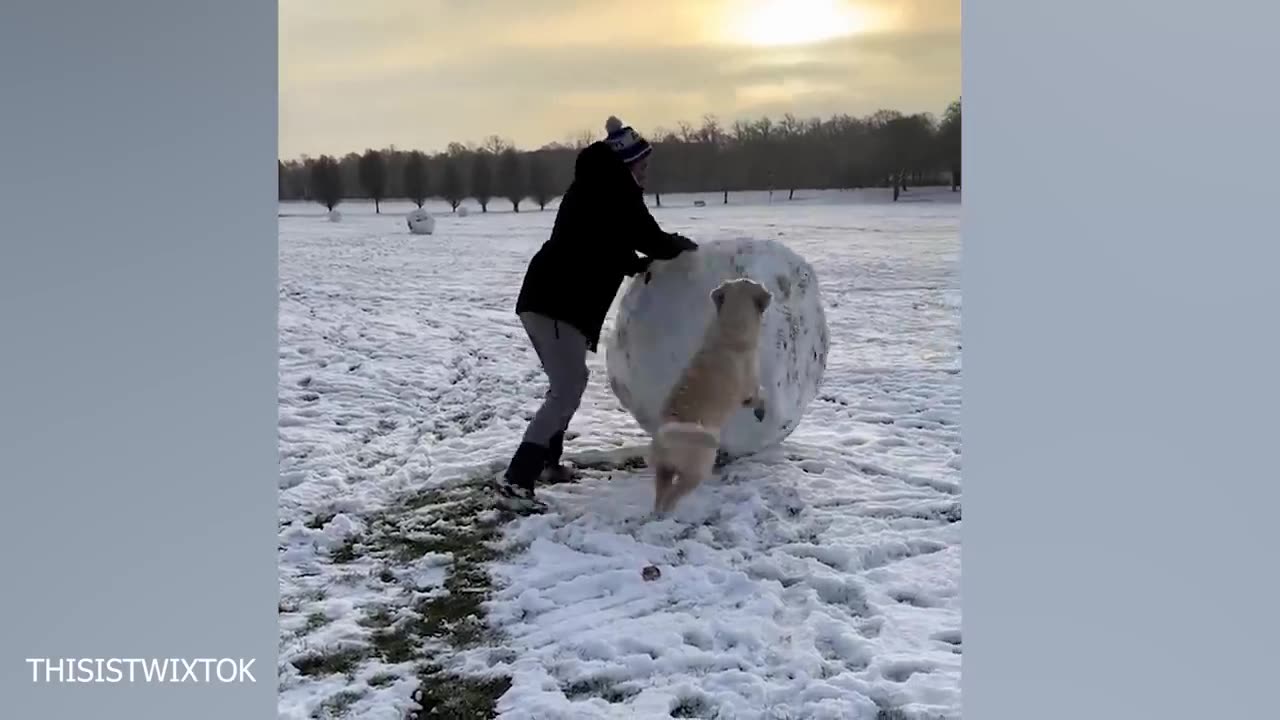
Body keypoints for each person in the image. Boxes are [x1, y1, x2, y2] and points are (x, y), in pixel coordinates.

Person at [497, 116, 698, 511]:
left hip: (547, 297)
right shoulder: (616, 190)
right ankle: (517, 479)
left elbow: (600, 240)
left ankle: (546, 464)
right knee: (567, 386)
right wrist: (679, 246)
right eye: (643, 164)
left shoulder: (592, 188)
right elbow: (648, 237)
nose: (646, 171)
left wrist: (633, 264)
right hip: (556, 303)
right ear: (628, 164)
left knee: (568, 383)